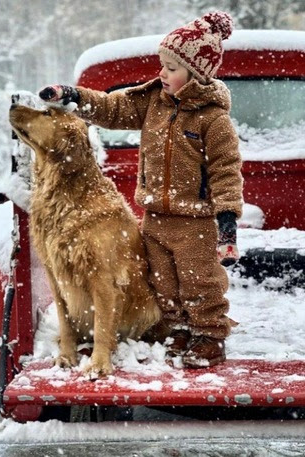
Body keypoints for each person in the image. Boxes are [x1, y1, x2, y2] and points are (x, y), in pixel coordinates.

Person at [38, 11, 243, 368]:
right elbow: (112, 107)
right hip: (155, 218)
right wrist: (72, 96)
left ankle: (209, 336)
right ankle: (179, 328)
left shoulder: (213, 119)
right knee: (162, 283)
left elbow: (226, 172)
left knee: (200, 282)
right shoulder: (152, 103)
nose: (162, 73)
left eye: (172, 68)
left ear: (195, 74)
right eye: (162, 64)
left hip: (194, 221)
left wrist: (227, 221)